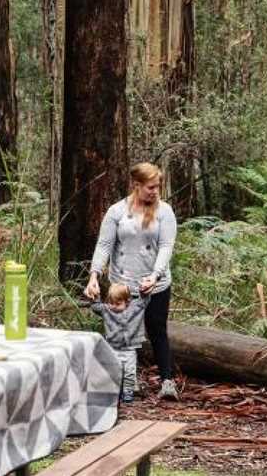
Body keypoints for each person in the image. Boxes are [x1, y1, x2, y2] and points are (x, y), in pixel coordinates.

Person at [84, 162, 179, 400]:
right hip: (123, 284)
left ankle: (167, 381)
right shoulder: (117, 211)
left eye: (158, 187)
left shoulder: (165, 211)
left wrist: (155, 275)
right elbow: (104, 245)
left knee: (157, 330)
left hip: (154, 283)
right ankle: (127, 381)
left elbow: (166, 246)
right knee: (122, 332)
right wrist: (94, 275)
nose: (155, 191)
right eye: (150, 187)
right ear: (136, 186)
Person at [91, 283, 148, 403]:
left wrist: (144, 291)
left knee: (129, 372)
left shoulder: (134, 309)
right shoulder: (107, 310)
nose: (114, 306)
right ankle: (114, 391)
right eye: (111, 303)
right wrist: (96, 296)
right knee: (112, 371)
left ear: (127, 302)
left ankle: (128, 392)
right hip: (112, 348)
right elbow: (96, 307)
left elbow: (143, 301)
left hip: (129, 349)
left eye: (118, 304)